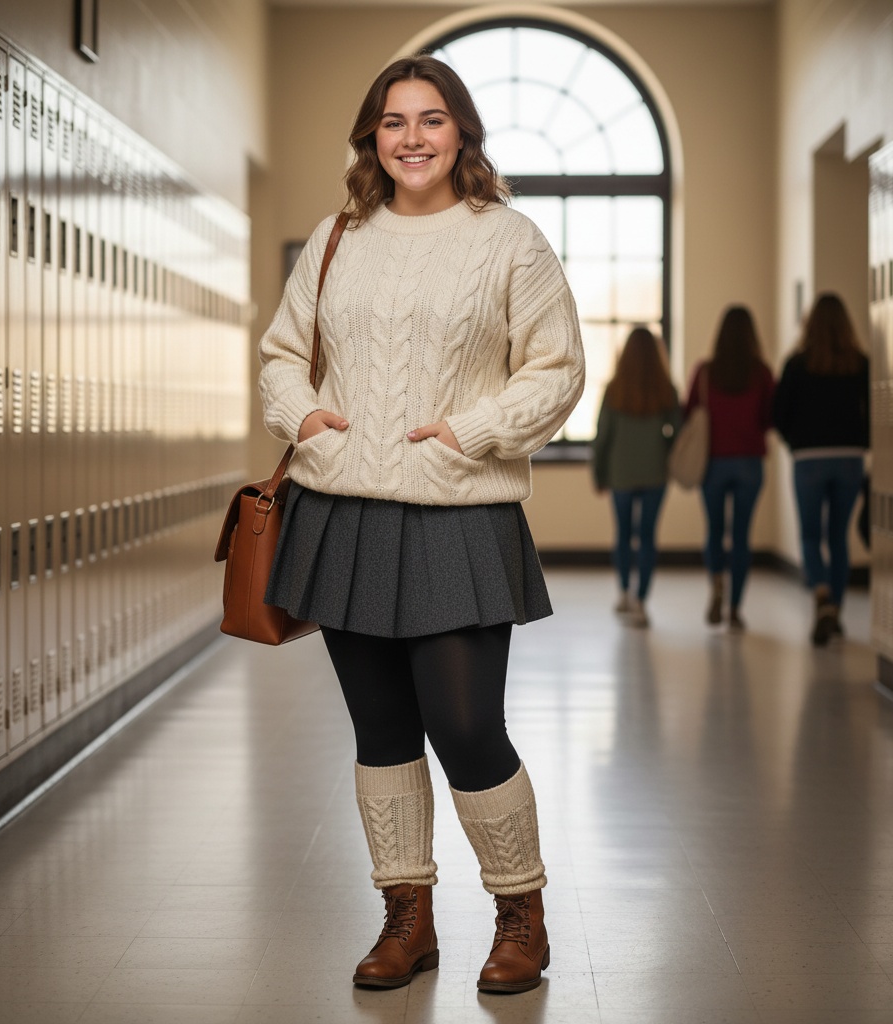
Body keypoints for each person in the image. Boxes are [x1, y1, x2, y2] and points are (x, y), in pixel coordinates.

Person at [257, 54, 585, 994]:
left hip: (459, 513)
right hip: (344, 509)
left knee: (468, 724)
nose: (411, 138)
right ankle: (408, 919)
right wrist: (304, 415)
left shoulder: (509, 241)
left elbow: (557, 369)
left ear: (461, 133)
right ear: (372, 137)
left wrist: (473, 429)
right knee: (382, 729)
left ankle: (520, 913)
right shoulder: (336, 237)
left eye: (431, 120)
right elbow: (284, 353)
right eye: (393, 122)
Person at [772, 292, 869, 645]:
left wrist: (796, 442)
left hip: (809, 459)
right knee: (838, 538)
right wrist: (861, 442)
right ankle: (837, 610)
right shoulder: (860, 364)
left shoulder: (797, 364)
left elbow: (778, 414)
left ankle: (822, 595)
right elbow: (873, 412)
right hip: (849, 458)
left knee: (811, 535)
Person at [684, 305, 774, 630]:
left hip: (713, 464)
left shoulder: (706, 372)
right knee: (741, 537)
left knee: (715, 531)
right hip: (750, 463)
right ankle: (736, 608)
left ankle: (717, 584)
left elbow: (688, 412)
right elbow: (769, 418)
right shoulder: (761, 372)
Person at [592, 326, 681, 627]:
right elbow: (677, 433)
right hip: (656, 472)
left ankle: (624, 593)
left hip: (621, 473)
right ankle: (642, 600)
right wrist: (664, 450)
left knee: (623, 535)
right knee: (647, 537)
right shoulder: (666, 389)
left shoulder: (614, 388)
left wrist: (599, 474)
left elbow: (602, 437)